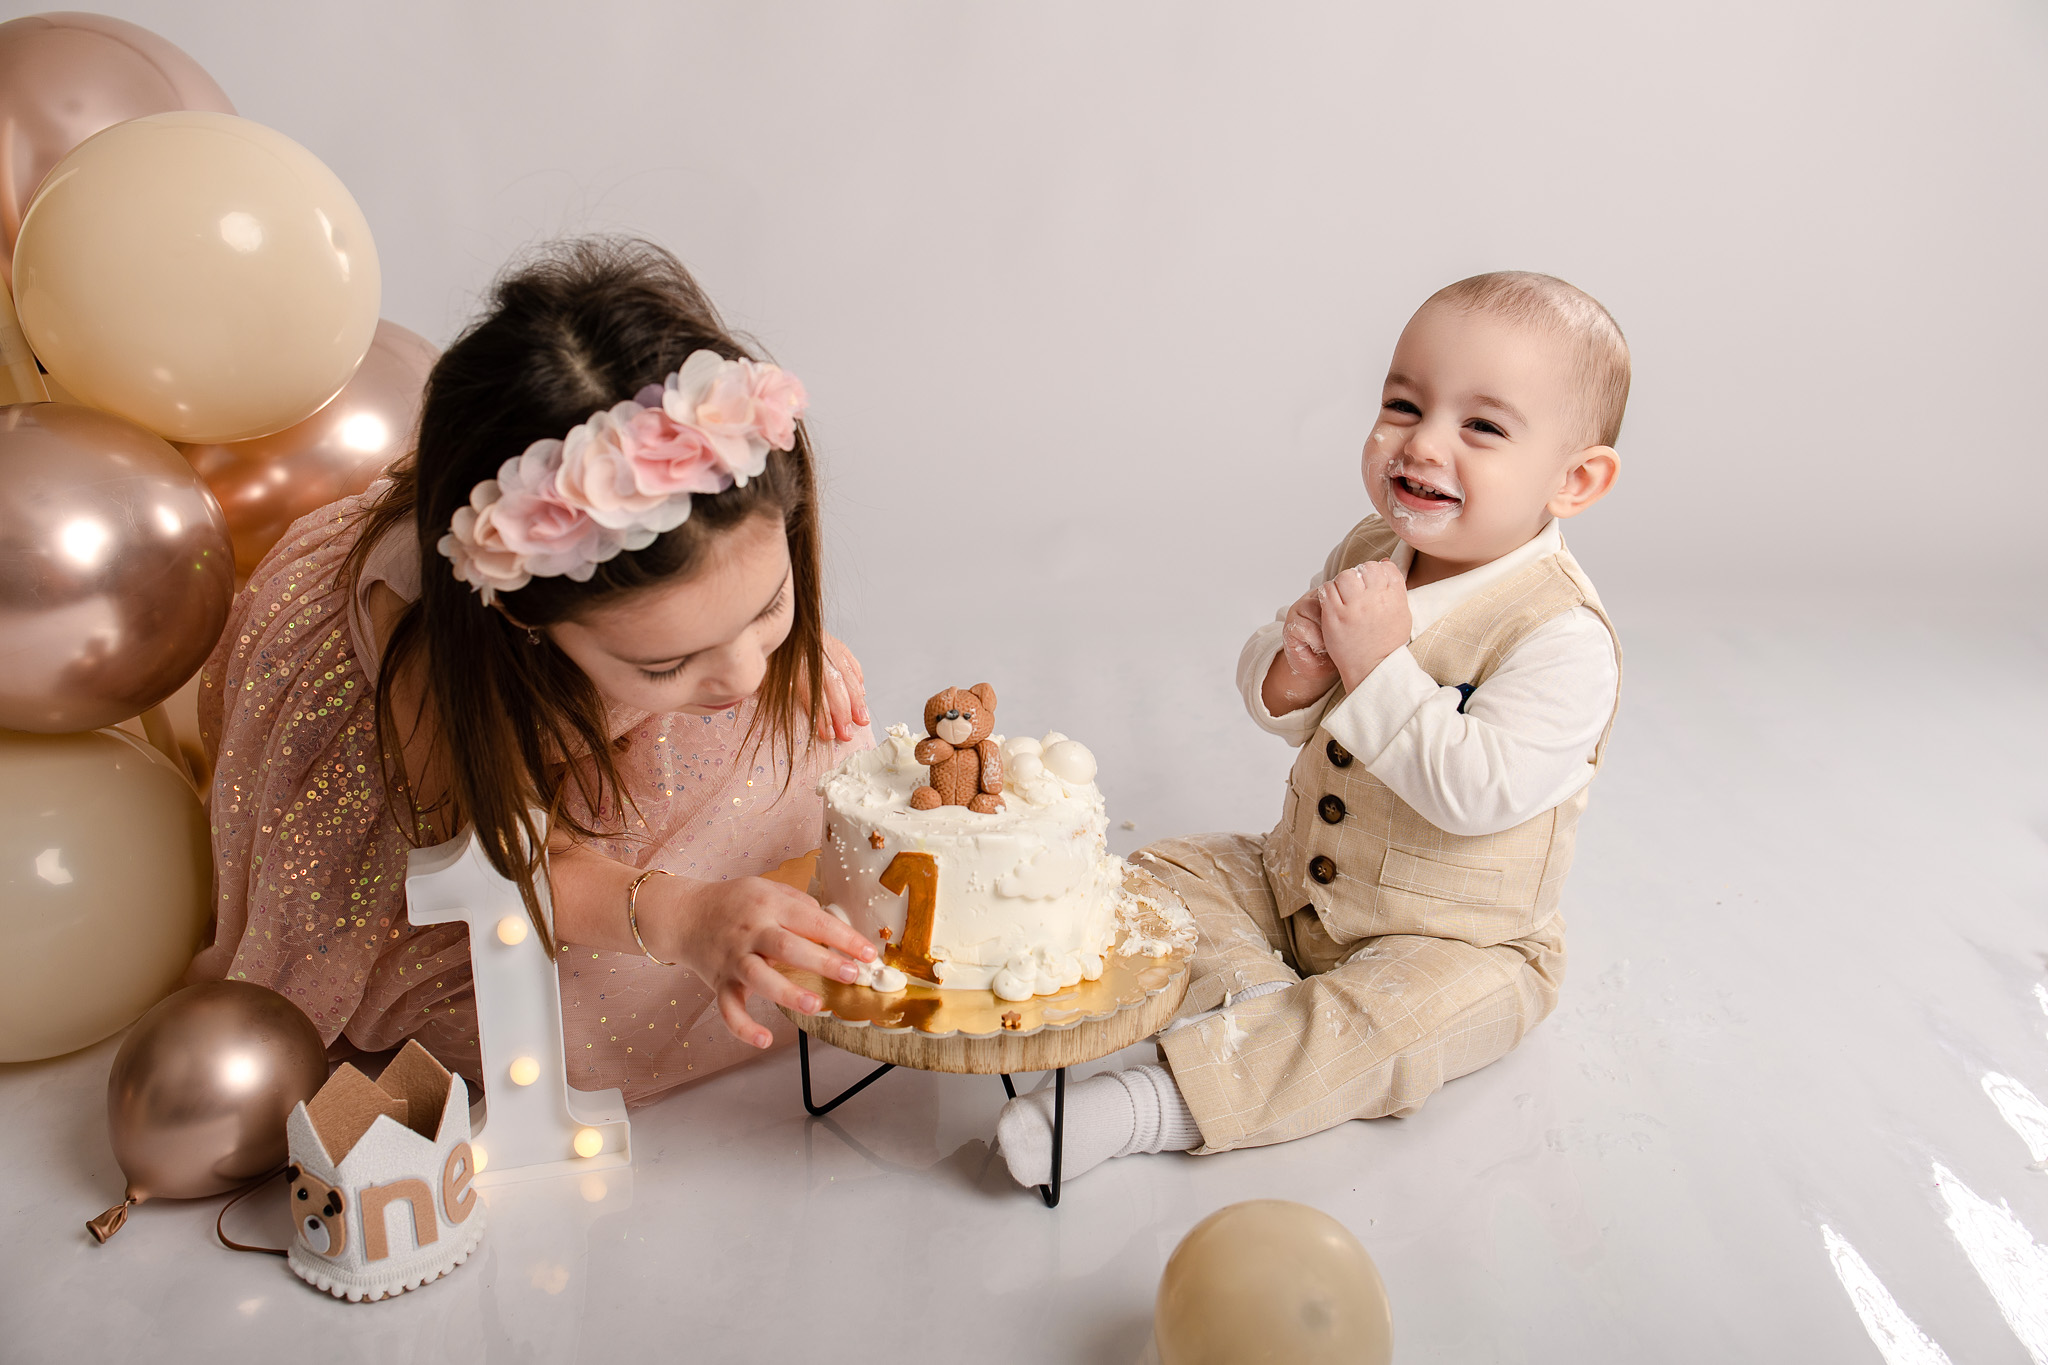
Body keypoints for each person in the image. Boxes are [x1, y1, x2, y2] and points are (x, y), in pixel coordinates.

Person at [188, 238, 879, 1105]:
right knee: (582, 1005)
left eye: (766, 606)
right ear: (530, 620)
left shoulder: (706, 563)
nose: (743, 676)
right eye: (669, 662)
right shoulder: (438, 665)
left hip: (573, 672)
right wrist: (682, 917)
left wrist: (789, 643)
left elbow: (722, 622)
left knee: (821, 783)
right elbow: (508, 860)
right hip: (464, 788)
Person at [998, 271, 1627, 1183]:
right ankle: (1262, 1005)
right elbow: (1283, 698)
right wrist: (1296, 663)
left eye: (1482, 427)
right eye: (1403, 405)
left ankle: (1155, 1103)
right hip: (1296, 886)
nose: (1423, 442)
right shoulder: (1372, 549)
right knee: (1159, 874)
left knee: (1393, 1026)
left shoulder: (1562, 635)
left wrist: (1376, 663)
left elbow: (1479, 791)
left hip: (1457, 942)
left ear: (1575, 478)